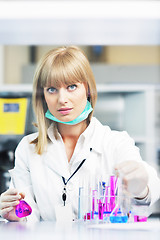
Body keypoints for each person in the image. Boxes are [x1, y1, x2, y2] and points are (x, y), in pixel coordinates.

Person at [0, 46, 160, 222]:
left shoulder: (116, 143)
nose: (62, 99)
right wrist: (16, 216)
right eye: (52, 89)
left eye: (72, 86)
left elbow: (142, 209)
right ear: (43, 96)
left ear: (88, 89)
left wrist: (140, 189)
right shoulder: (28, 148)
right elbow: (29, 216)